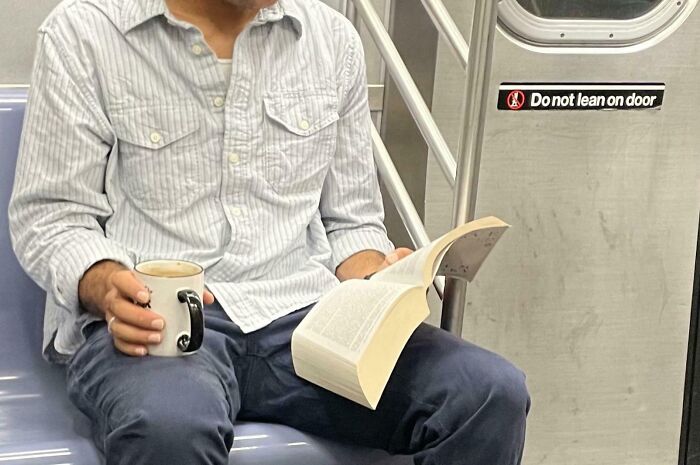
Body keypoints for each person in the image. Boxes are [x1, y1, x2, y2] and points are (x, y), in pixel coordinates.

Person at [8, 0, 530, 463]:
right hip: (166, 321)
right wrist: (105, 284)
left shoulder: (332, 42)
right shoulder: (84, 34)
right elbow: (52, 215)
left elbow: (351, 222)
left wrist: (379, 275)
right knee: (169, 427)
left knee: (486, 393)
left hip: (308, 320)